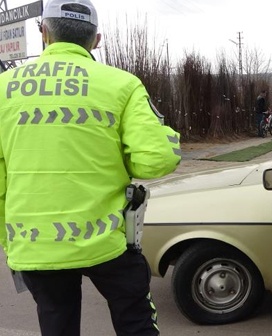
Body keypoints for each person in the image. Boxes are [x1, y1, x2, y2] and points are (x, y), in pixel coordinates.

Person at [0, 0, 181, 335]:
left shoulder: (3, 89)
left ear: (44, 34)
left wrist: (12, 242)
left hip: (35, 243)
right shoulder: (121, 85)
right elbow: (157, 158)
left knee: (57, 320)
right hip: (107, 241)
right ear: (96, 40)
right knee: (135, 319)